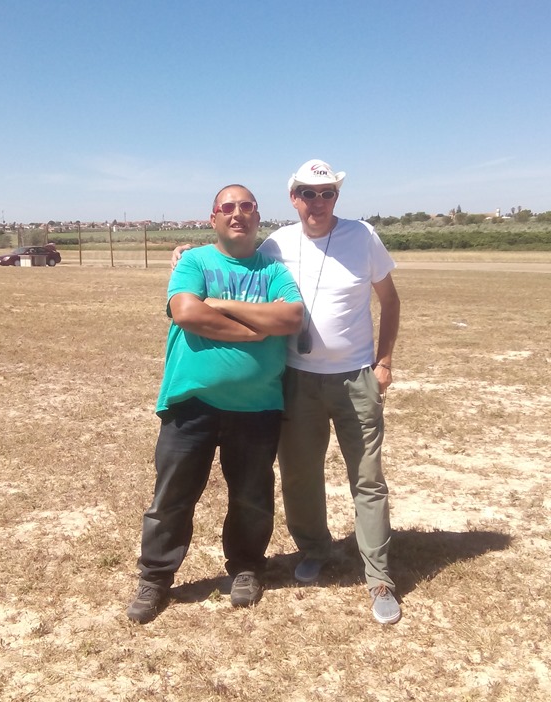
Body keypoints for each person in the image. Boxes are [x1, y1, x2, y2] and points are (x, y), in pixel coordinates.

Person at [173, 160, 401, 625]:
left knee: (367, 478)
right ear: (293, 198)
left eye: (327, 193)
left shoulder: (363, 236)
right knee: (299, 475)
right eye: (308, 193)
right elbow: (235, 250)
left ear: (336, 196)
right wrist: (186, 253)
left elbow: (390, 300)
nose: (318, 202)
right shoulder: (277, 243)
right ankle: (315, 549)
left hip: (356, 376)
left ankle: (379, 576)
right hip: (296, 378)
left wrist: (384, 362)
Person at [127, 184, 303, 624]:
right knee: (172, 497)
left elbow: (290, 317)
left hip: (257, 406)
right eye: (228, 207)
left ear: (257, 216)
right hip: (192, 402)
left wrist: (220, 303)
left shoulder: (272, 270)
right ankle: (155, 578)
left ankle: (246, 568)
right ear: (214, 218)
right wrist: (253, 329)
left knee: (251, 497)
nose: (237, 213)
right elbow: (187, 312)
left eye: (246, 206)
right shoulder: (195, 262)